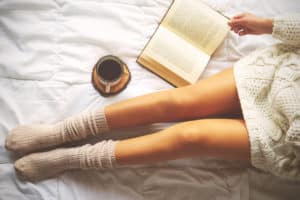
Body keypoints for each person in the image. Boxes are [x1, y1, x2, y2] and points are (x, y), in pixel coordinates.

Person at [5, 13, 300, 182]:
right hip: (284, 75)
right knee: (174, 102)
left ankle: (74, 158)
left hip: (288, 139)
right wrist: (270, 26)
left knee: (190, 138)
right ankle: (64, 131)